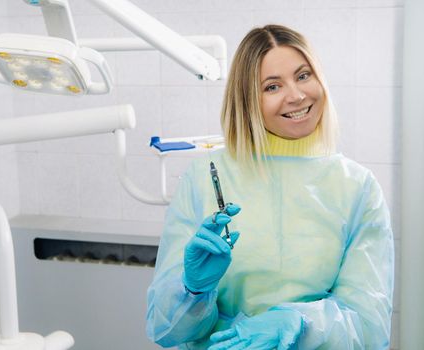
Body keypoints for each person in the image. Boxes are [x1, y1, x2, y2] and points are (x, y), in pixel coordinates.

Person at [145, 24, 394, 350]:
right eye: (273, 86)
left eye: (303, 76)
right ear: (247, 100)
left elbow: (370, 327)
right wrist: (192, 291)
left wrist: (300, 323)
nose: (296, 95)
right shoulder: (206, 177)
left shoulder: (358, 188)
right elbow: (164, 331)